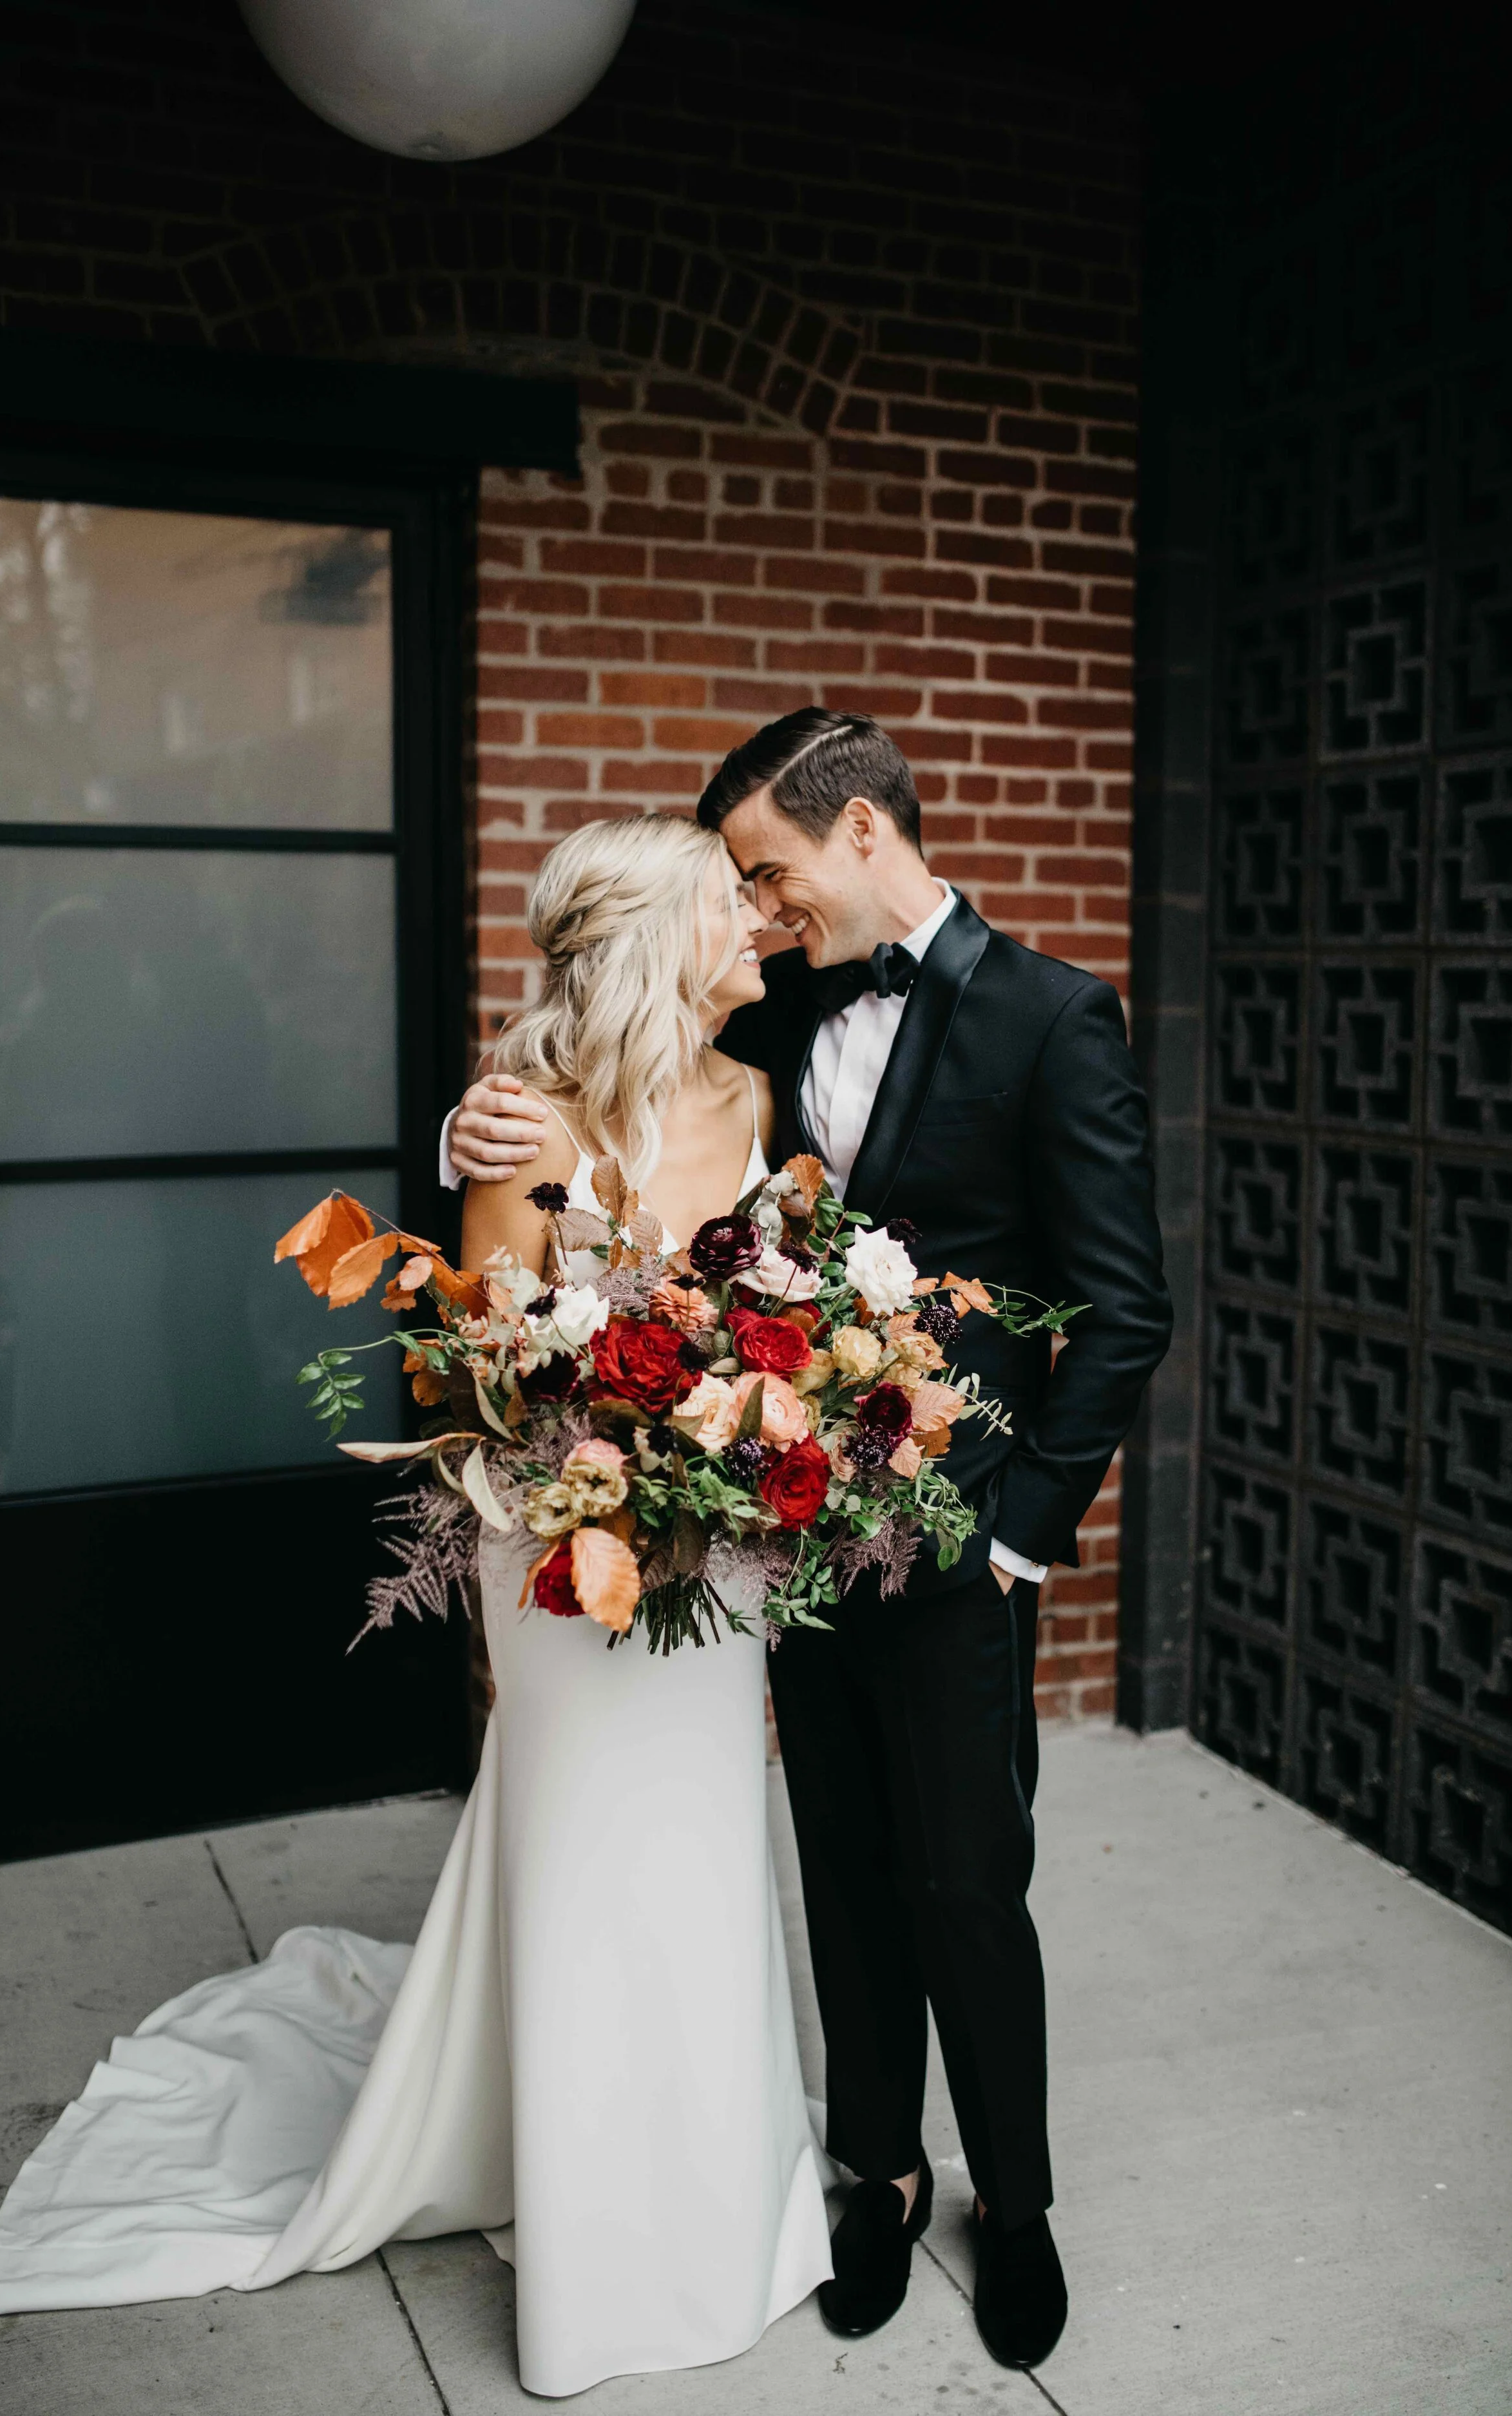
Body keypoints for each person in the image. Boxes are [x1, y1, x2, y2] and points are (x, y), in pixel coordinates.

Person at [0, 814, 834, 2400]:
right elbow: (475, 1381)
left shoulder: (764, 1102)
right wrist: (602, 1460)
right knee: (582, 1850)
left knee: (706, 1846)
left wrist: (755, 1430)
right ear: (660, 940)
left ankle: (716, 2180)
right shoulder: (521, 1127)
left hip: (716, 1551)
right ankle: (594, 2227)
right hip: (559, 1545)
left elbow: (793, 1313)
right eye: (731, 907)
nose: (759, 928)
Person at [445, 708, 1174, 2372]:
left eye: (770, 876)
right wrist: (463, 1136)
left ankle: (1016, 2203)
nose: (759, 918)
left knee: (965, 1877)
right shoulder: (771, 1005)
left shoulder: (1055, 1017)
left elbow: (1123, 1307)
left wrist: (1019, 1539)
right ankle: (880, 2170)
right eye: (742, 895)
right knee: (836, 1861)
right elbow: (603, 1064)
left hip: (959, 1537)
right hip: (781, 1531)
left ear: (860, 832)